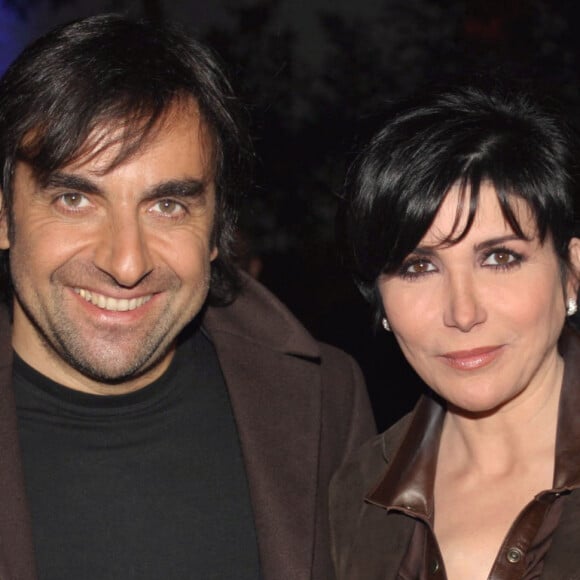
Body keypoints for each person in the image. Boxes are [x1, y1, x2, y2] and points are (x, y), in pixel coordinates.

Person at [0, 14, 375, 580]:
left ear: (216, 230)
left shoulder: (326, 401)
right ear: (3, 214)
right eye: (75, 200)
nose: (126, 263)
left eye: (167, 206)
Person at [330, 85, 580, 579]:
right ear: (379, 301)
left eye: (500, 258)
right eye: (418, 267)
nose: (462, 313)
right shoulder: (355, 495)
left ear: (572, 272)